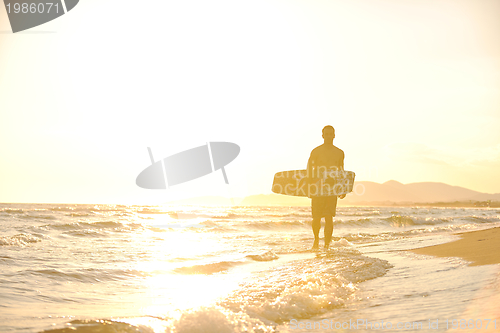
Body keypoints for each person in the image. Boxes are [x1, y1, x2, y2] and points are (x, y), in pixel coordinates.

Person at [307, 125, 346, 250]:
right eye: (326, 134)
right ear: (322, 135)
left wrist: (342, 188)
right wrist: (309, 186)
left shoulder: (339, 153)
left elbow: (341, 171)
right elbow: (309, 169)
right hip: (318, 187)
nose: (329, 136)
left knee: (329, 217)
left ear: (334, 135)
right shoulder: (316, 151)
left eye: (331, 134)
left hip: (331, 188)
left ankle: (327, 244)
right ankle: (316, 240)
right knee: (316, 217)